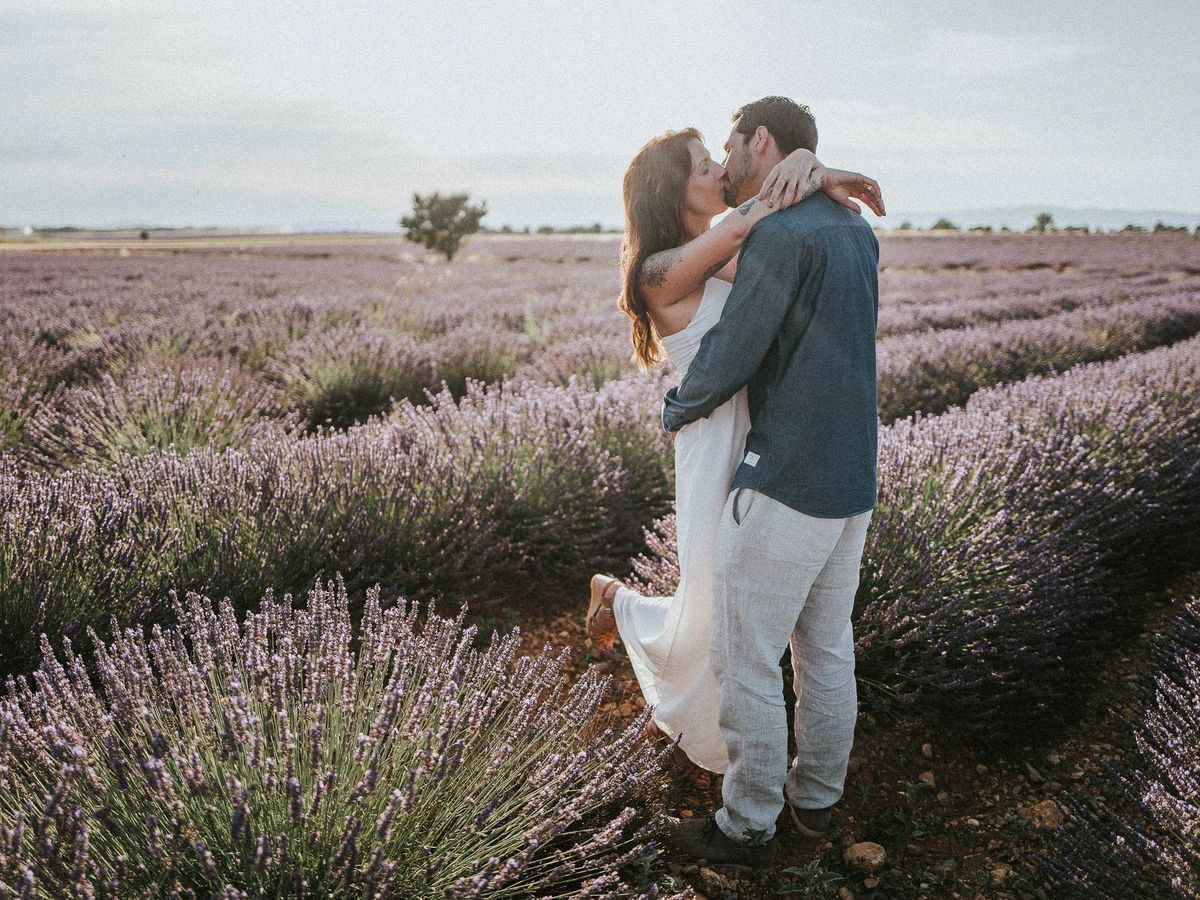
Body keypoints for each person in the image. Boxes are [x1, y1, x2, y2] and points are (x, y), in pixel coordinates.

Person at [585, 111, 883, 789]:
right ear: (670, 193)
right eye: (701, 165)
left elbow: (782, 248)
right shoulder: (659, 270)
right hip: (713, 442)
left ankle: (753, 766)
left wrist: (805, 167)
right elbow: (749, 224)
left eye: (717, 158)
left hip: (769, 438)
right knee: (711, 615)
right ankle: (622, 606)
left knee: (731, 617)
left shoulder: (731, 250)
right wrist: (811, 165)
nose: (719, 168)